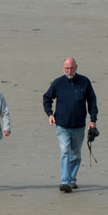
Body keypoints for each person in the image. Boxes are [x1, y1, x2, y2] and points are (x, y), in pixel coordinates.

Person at [42, 57, 98, 193]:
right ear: (63, 68)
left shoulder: (84, 82)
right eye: (67, 68)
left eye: (72, 68)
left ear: (76, 67)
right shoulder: (58, 83)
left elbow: (92, 101)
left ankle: (72, 179)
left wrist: (93, 120)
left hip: (79, 125)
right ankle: (65, 182)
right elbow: (46, 98)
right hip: (62, 125)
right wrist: (49, 114)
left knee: (76, 155)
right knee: (65, 151)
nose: (69, 71)